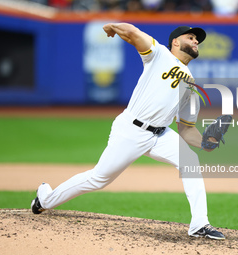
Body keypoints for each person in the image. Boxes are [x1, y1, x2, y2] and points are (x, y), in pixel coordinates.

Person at [31, 23, 226, 240]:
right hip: (131, 130)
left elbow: (187, 130)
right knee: (99, 179)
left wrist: (208, 143)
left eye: (197, 39)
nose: (196, 41)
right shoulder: (160, 55)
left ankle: (199, 224)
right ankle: (45, 200)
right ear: (176, 42)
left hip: (160, 135)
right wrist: (114, 26)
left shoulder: (191, 85)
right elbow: (133, 33)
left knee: (190, 161)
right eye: (191, 37)